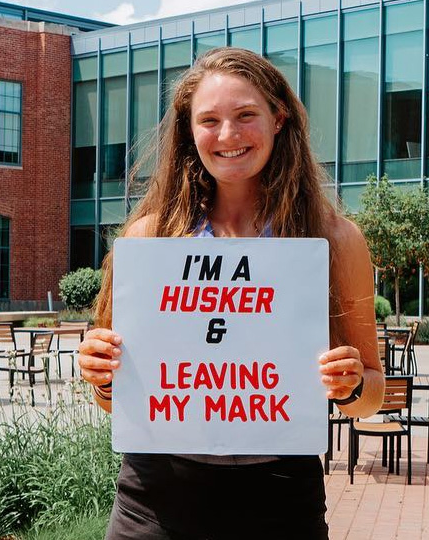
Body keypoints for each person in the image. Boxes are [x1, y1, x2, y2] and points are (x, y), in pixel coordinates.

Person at [77, 47, 384, 540]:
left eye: (245, 115)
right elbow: (116, 397)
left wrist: (349, 386)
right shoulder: (149, 239)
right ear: (189, 130)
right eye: (209, 120)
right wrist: (102, 376)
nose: (228, 135)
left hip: (280, 503)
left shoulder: (334, 239)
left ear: (279, 118)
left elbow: (371, 394)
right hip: (153, 504)